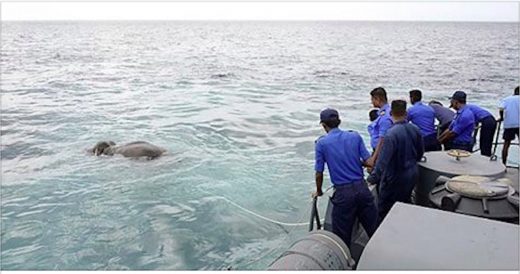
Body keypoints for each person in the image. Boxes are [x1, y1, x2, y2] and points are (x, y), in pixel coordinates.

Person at [313, 108, 378, 248]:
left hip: (343, 195)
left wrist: (319, 191)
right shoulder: (354, 136)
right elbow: (369, 162)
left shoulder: (321, 144)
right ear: (339, 122)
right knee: (374, 230)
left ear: (324, 125)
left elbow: (319, 173)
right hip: (362, 189)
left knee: (341, 238)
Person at [367, 100, 424, 223]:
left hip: (395, 178)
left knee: (385, 210)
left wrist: (371, 179)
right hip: (412, 174)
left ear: (391, 113)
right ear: (406, 113)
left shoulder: (390, 135)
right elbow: (420, 153)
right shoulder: (415, 129)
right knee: (404, 204)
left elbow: (382, 163)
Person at [366, 87, 393, 167]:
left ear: (377, 99)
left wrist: (373, 158)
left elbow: (382, 139)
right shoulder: (385, 112)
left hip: (381, 152)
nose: (372, 102)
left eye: (372, 99)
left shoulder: (385, 117)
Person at [499, 86, 520, 165]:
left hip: (509, 123)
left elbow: (501, 109)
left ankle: (504, 163)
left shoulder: (507, 99)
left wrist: (501, 117)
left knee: (506, 144)